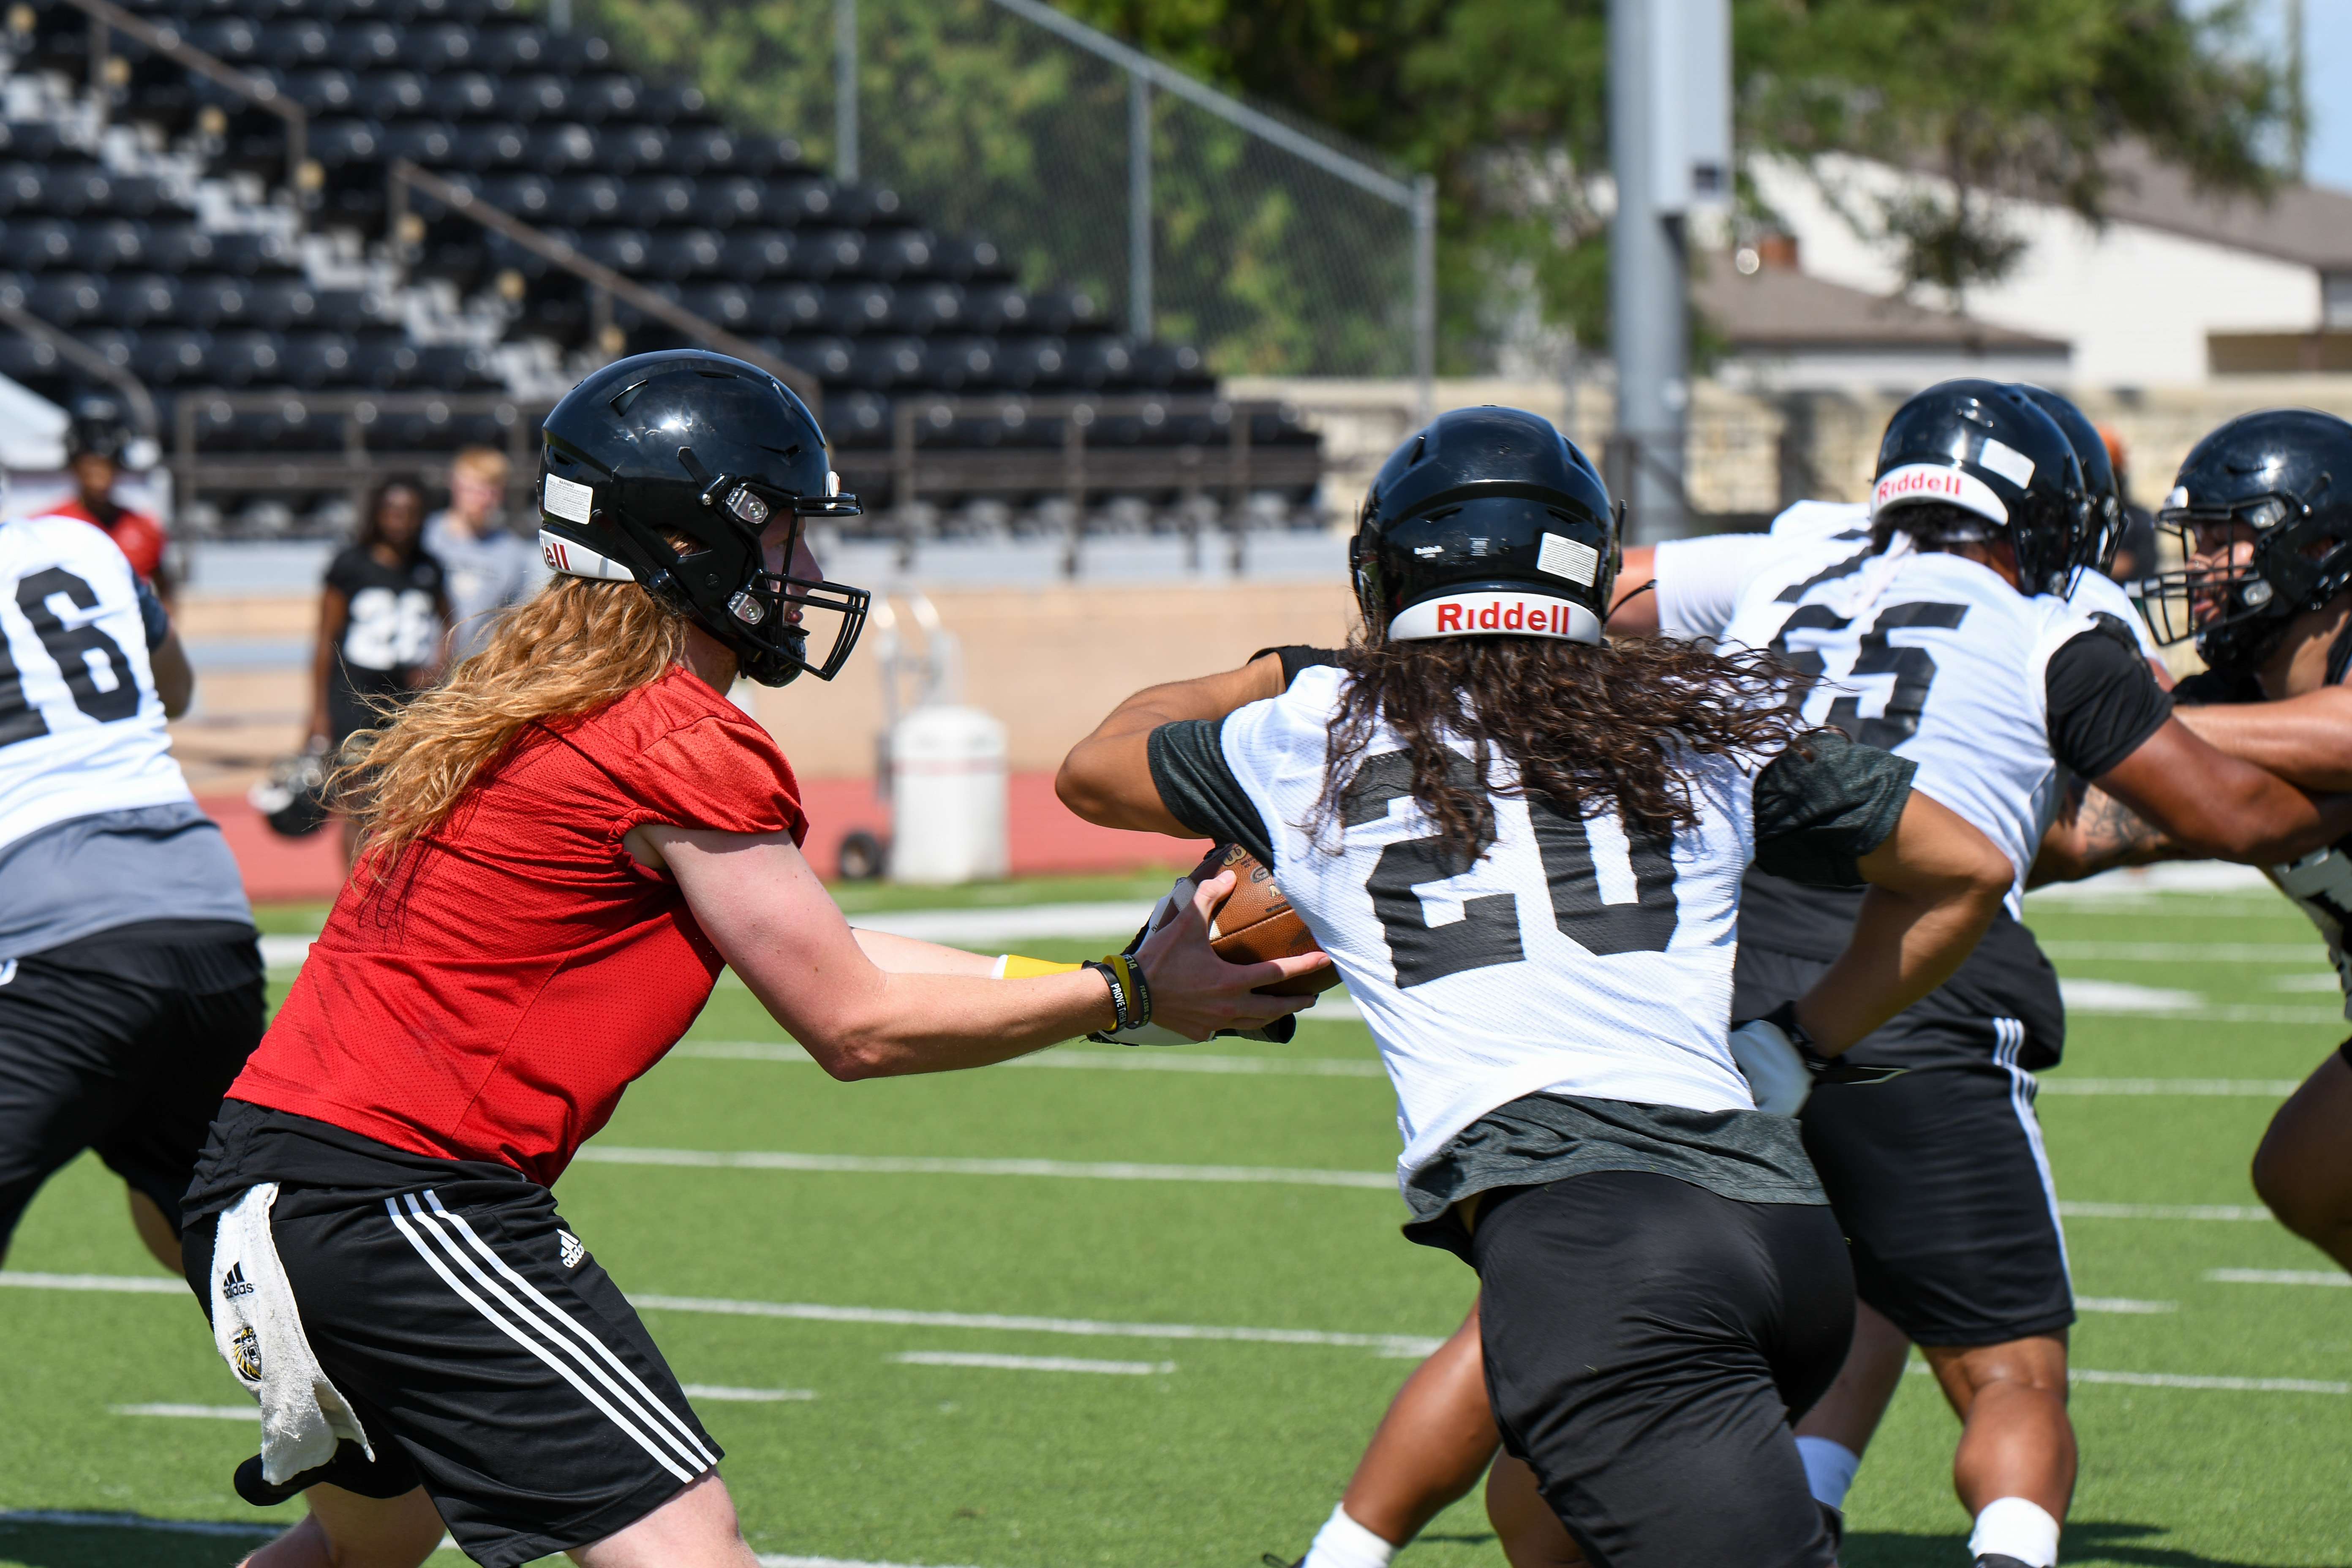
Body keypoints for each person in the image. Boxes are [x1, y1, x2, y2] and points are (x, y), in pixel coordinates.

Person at [176, 351, 1313, 1568]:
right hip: (396, 1202)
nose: (812, 572)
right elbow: (855, 1024)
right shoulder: (674, 736)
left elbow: (823, 949)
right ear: (685, 544)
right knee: (690, 1548)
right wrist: (1131, 990)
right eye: (784, 536)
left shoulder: (544, 703)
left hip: (275, 1188)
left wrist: (1109, 993)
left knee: (368, 1546)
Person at [1266, 384, 2352, 1568]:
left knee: (1587, 1284)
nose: (2204, 568)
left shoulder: (1799, 556)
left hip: (1729, 939)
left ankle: (1358, 1546)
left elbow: (1599, 585)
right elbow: (2195, 818)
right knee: (2007, 1361)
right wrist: (2095, 721)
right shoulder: (2054, 624)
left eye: (2234, 540)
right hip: (1917, 948)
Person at [1059, 403, 2030, 1568]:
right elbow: (1966, 867)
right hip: (1785, 1232)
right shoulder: (1695, 723)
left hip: (1599, 1252)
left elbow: (1095, 766)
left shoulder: (1310, 725)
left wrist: (1274, 668)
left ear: (1384, 570)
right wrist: (1802, 1047)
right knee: (1538, 1523)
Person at [2047, 407, 2352, 1279]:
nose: (2200, 567)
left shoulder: (2218, 712)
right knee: (2306, 1174)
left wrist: (2142, 727)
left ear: (2322, 546)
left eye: (2228, 540)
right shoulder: (2231, 698)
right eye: (2198, 540)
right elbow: (2099, 832)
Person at [0, 496, 264, 1276]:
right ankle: (358, 1391)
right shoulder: (79, 543)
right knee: (223, 1231)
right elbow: (173, 688)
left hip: (62, 935)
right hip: (207, 911)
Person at [308, 476, 450, 868]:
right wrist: (318, 714)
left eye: (409, 513)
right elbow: (324, 641)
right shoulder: (350, 565)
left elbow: (450, 624)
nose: (399, 521)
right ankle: (353, 892)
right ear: (376, 514)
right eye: (392, 511)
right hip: (354, 694)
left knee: (403, 800)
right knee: (359, 800)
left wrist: (437, 668)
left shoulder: (429, 567)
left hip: (407, 700)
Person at [424, 445, 542, 663]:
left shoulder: (513, 553)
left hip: (473, 674)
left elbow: (514, 621)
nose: (483, 499)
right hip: (417, 671)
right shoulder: (424, 538)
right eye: (475, 488)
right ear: (455, 485)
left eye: (492, 490)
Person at [47, 414, 174, 609]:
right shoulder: (47, 528)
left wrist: (164, 634)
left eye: (107, 466)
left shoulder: (145, 529)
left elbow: (165, 591)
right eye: (91, 465)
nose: (99, 477)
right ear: (75, 467)